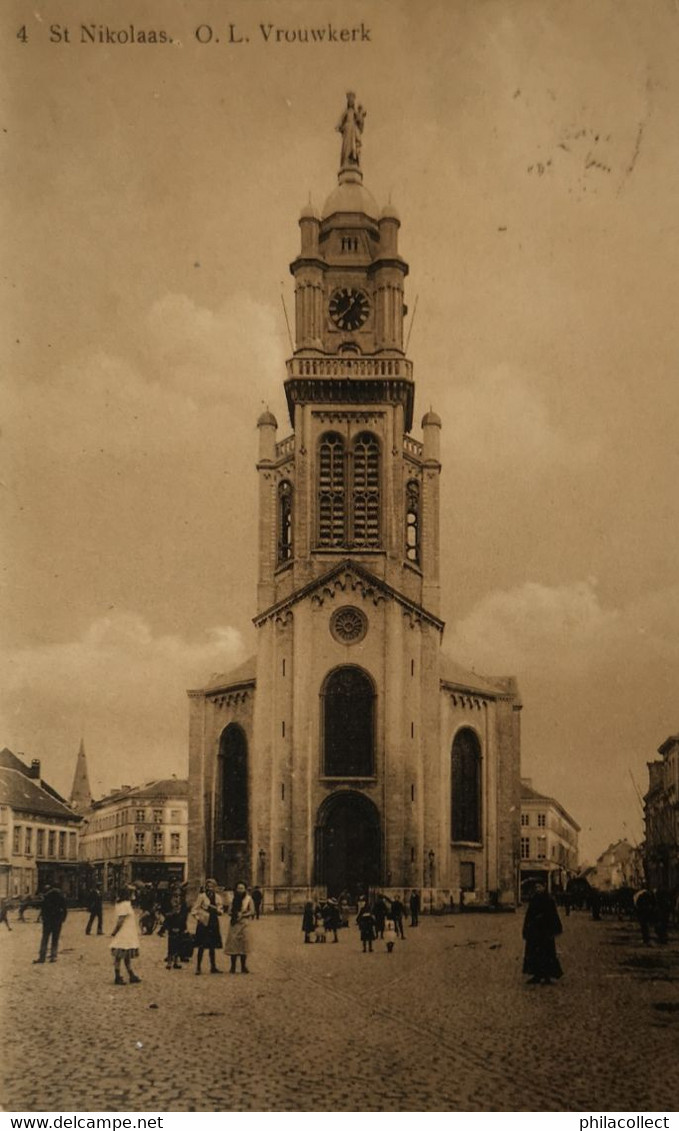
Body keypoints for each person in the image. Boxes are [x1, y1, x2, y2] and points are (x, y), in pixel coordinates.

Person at [522, 882, 563, 985]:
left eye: (540, 886)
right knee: (534, 953)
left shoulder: (549, 900)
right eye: (536, 887)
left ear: (544, 887)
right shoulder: (534, 900)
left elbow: (553, 915)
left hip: (545, 932)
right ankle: (536, 975)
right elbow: (529, 915)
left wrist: (555, 929)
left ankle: (547, 976)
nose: (538, 889)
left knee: (547, 953)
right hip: (535, 932)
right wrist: (526, 928)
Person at [110, 885, 141, 985]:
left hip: (127, 933)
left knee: (125, 955)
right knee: (120, 956)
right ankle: (118, 976)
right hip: (124, 934)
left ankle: (130, 974)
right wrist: (115, 931)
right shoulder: (125, 904)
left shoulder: (123, 904)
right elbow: (121, 920)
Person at [191, 878, 224, 974]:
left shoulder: (218, 897)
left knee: (212, 945)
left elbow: (221, 909)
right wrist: (198, 918)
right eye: (208, 886)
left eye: (212, 886)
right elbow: (194, 909)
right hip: (204, 922)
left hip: (213, 921)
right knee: (201, 945)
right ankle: (198, 967)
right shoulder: (201, 896)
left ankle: (213, 967)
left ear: (215, 887)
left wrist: (219, 911)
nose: (210, 888)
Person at [224, 880, 255, 973]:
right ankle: (232, 966)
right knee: (233, 945)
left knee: (243, 945)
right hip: (234, 924)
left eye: (242, 888)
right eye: (238, 888)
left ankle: (243, 966)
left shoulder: (248, 899)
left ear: (245, 889)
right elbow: (229, 911)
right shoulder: (233, 899)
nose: (240, 890)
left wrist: (243, 914)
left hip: (244, 924)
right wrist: (234, 914)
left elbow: (252, 911)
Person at [33, 883, 67, 964]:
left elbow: (42, 908)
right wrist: (63, 919)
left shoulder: (47, 896)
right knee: (55, 938)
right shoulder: (60, 896)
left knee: (45, 938)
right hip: (57, 920)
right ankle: (53, 956)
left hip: (48, 920)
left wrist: (43, 918)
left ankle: (42, 957)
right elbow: (65, 909)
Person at [159, 890, 189, 969]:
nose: (177, 897)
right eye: (175, 895)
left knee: (179, 943)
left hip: (180, 924)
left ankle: (176, 961)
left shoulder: (183, 903)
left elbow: (185, 914)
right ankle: (169, 962)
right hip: (172, 924)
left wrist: (184, 925)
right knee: (171, 943)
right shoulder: (169, 902)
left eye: (179, 895)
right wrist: (172, 913)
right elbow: (165, 913)